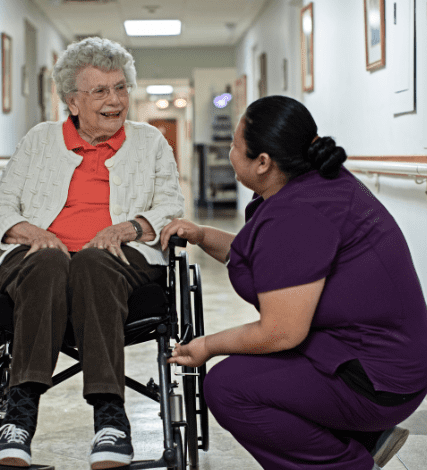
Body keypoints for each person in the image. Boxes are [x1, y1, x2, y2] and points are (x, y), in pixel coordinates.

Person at [160, 95, 427, 470]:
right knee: (256, 369)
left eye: (236, 147)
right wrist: (203, 235)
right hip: (377, 356)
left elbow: (281, 332)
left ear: (264, 162)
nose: (232, 153)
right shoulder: (314, 183)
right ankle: (363, 438)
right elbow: (278, 268)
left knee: (229, 387)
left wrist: (207, 345)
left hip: (377, 381)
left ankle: (346, 461)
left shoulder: (299, 213)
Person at [0, 37, 184, 468]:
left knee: (95, 259)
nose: (115, 100)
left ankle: (110, 419)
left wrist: (128, 227)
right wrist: (29, 230)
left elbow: (170, 204)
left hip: (122, 259)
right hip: (39, 259)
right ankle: (19, 415)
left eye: (120, 88)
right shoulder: (40, 140)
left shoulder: (150, 143)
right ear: (72, 102)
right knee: (51, 260)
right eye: (100, 91)